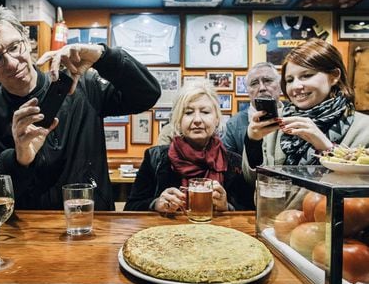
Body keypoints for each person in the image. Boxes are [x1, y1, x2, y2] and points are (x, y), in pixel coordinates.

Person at [0, 3, 160, 210]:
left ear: (26, 38)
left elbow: (147, 95)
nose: (11, 62)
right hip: (27, 231)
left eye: (14, 47)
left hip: (93, 220)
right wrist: (19, 159)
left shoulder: (84, 86)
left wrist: (102, 56)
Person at [243, 38, 369, 186]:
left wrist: (326, 148)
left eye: (307, 75)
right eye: (289, 80)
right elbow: (253, 181)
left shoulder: (363, 129)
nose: (295, 86)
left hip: (329, 209)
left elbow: (359, 192)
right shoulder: (278, 123)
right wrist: (252, 142)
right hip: (276, 209)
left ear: (334, 76)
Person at [124, 83, 255, 212]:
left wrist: (226, 206)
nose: (197, 119)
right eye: (188, 112)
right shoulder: (155, 158)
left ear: (216, 119)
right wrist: (156, 204)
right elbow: (131, 208)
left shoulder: (235, 163)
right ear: (178, 121)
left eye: (205, 112)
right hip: (168, 231)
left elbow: (250, 210)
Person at [222, 62, 282, 155]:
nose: (262, 88)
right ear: (247, 91)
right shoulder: (234, 125)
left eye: (267, 80)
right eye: (254, 83)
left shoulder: (293, 115)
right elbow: (228, 164)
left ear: (280, 85)